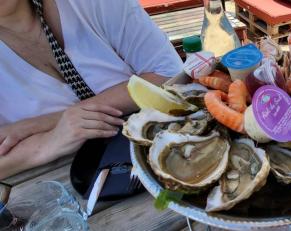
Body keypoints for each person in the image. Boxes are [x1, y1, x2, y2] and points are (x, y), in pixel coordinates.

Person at [0, 0, 183, 179]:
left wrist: (43, 123)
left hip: (170, 142)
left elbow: (170, 74)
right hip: (57, 186)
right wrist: (48, 143)